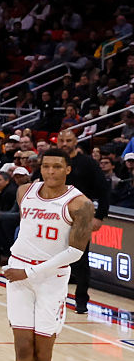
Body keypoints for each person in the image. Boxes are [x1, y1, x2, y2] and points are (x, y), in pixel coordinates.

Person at [2, 148, 94, 361]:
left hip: (50, 279)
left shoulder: (80, 204)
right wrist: (20, 268)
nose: (50, 171)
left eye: (57, 166)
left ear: (68, 170)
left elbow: (75, 252)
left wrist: (29, 272)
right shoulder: (24, 191)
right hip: (18, 274)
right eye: (46, 166)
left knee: (43, 351)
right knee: (23, 346)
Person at [55, 129, 110, 314]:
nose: (64, 143)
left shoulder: (87, 163)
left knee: (80, 260)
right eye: (61, 140)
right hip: (54, 217)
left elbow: (104, 190)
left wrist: (99, 216)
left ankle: (81, 300)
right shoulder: (53, 162)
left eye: (68, 140)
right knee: (51, 258)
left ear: (76, 141)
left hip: (80, 218)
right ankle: (53, 297)